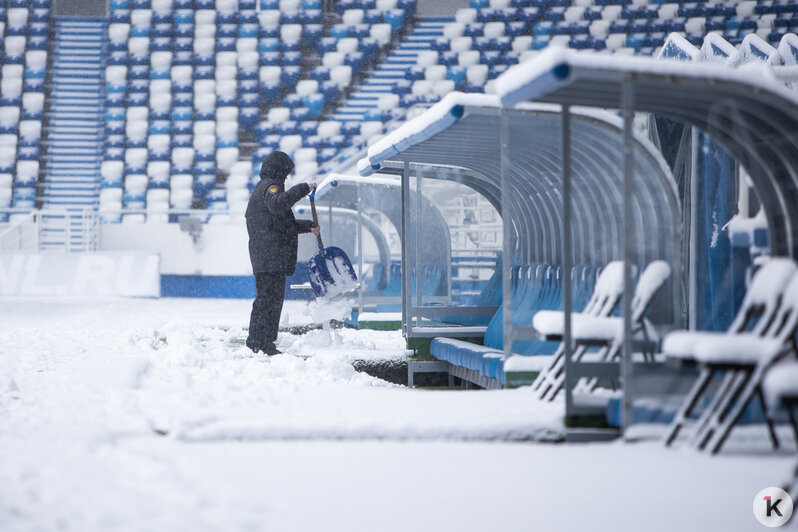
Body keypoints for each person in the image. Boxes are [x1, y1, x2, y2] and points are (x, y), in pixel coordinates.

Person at [245, 150, 320, 355]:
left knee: (269, 299)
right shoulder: (270, 187)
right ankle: (260, 342)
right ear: (279, 171)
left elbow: (282, 225)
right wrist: (302, 189)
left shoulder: (263, 189)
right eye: (285, 174)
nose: (286, 179)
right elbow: (278, 204)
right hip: (269, 257)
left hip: (267, 257)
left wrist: (308, 226)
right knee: (269, 300)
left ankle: (260, 341)